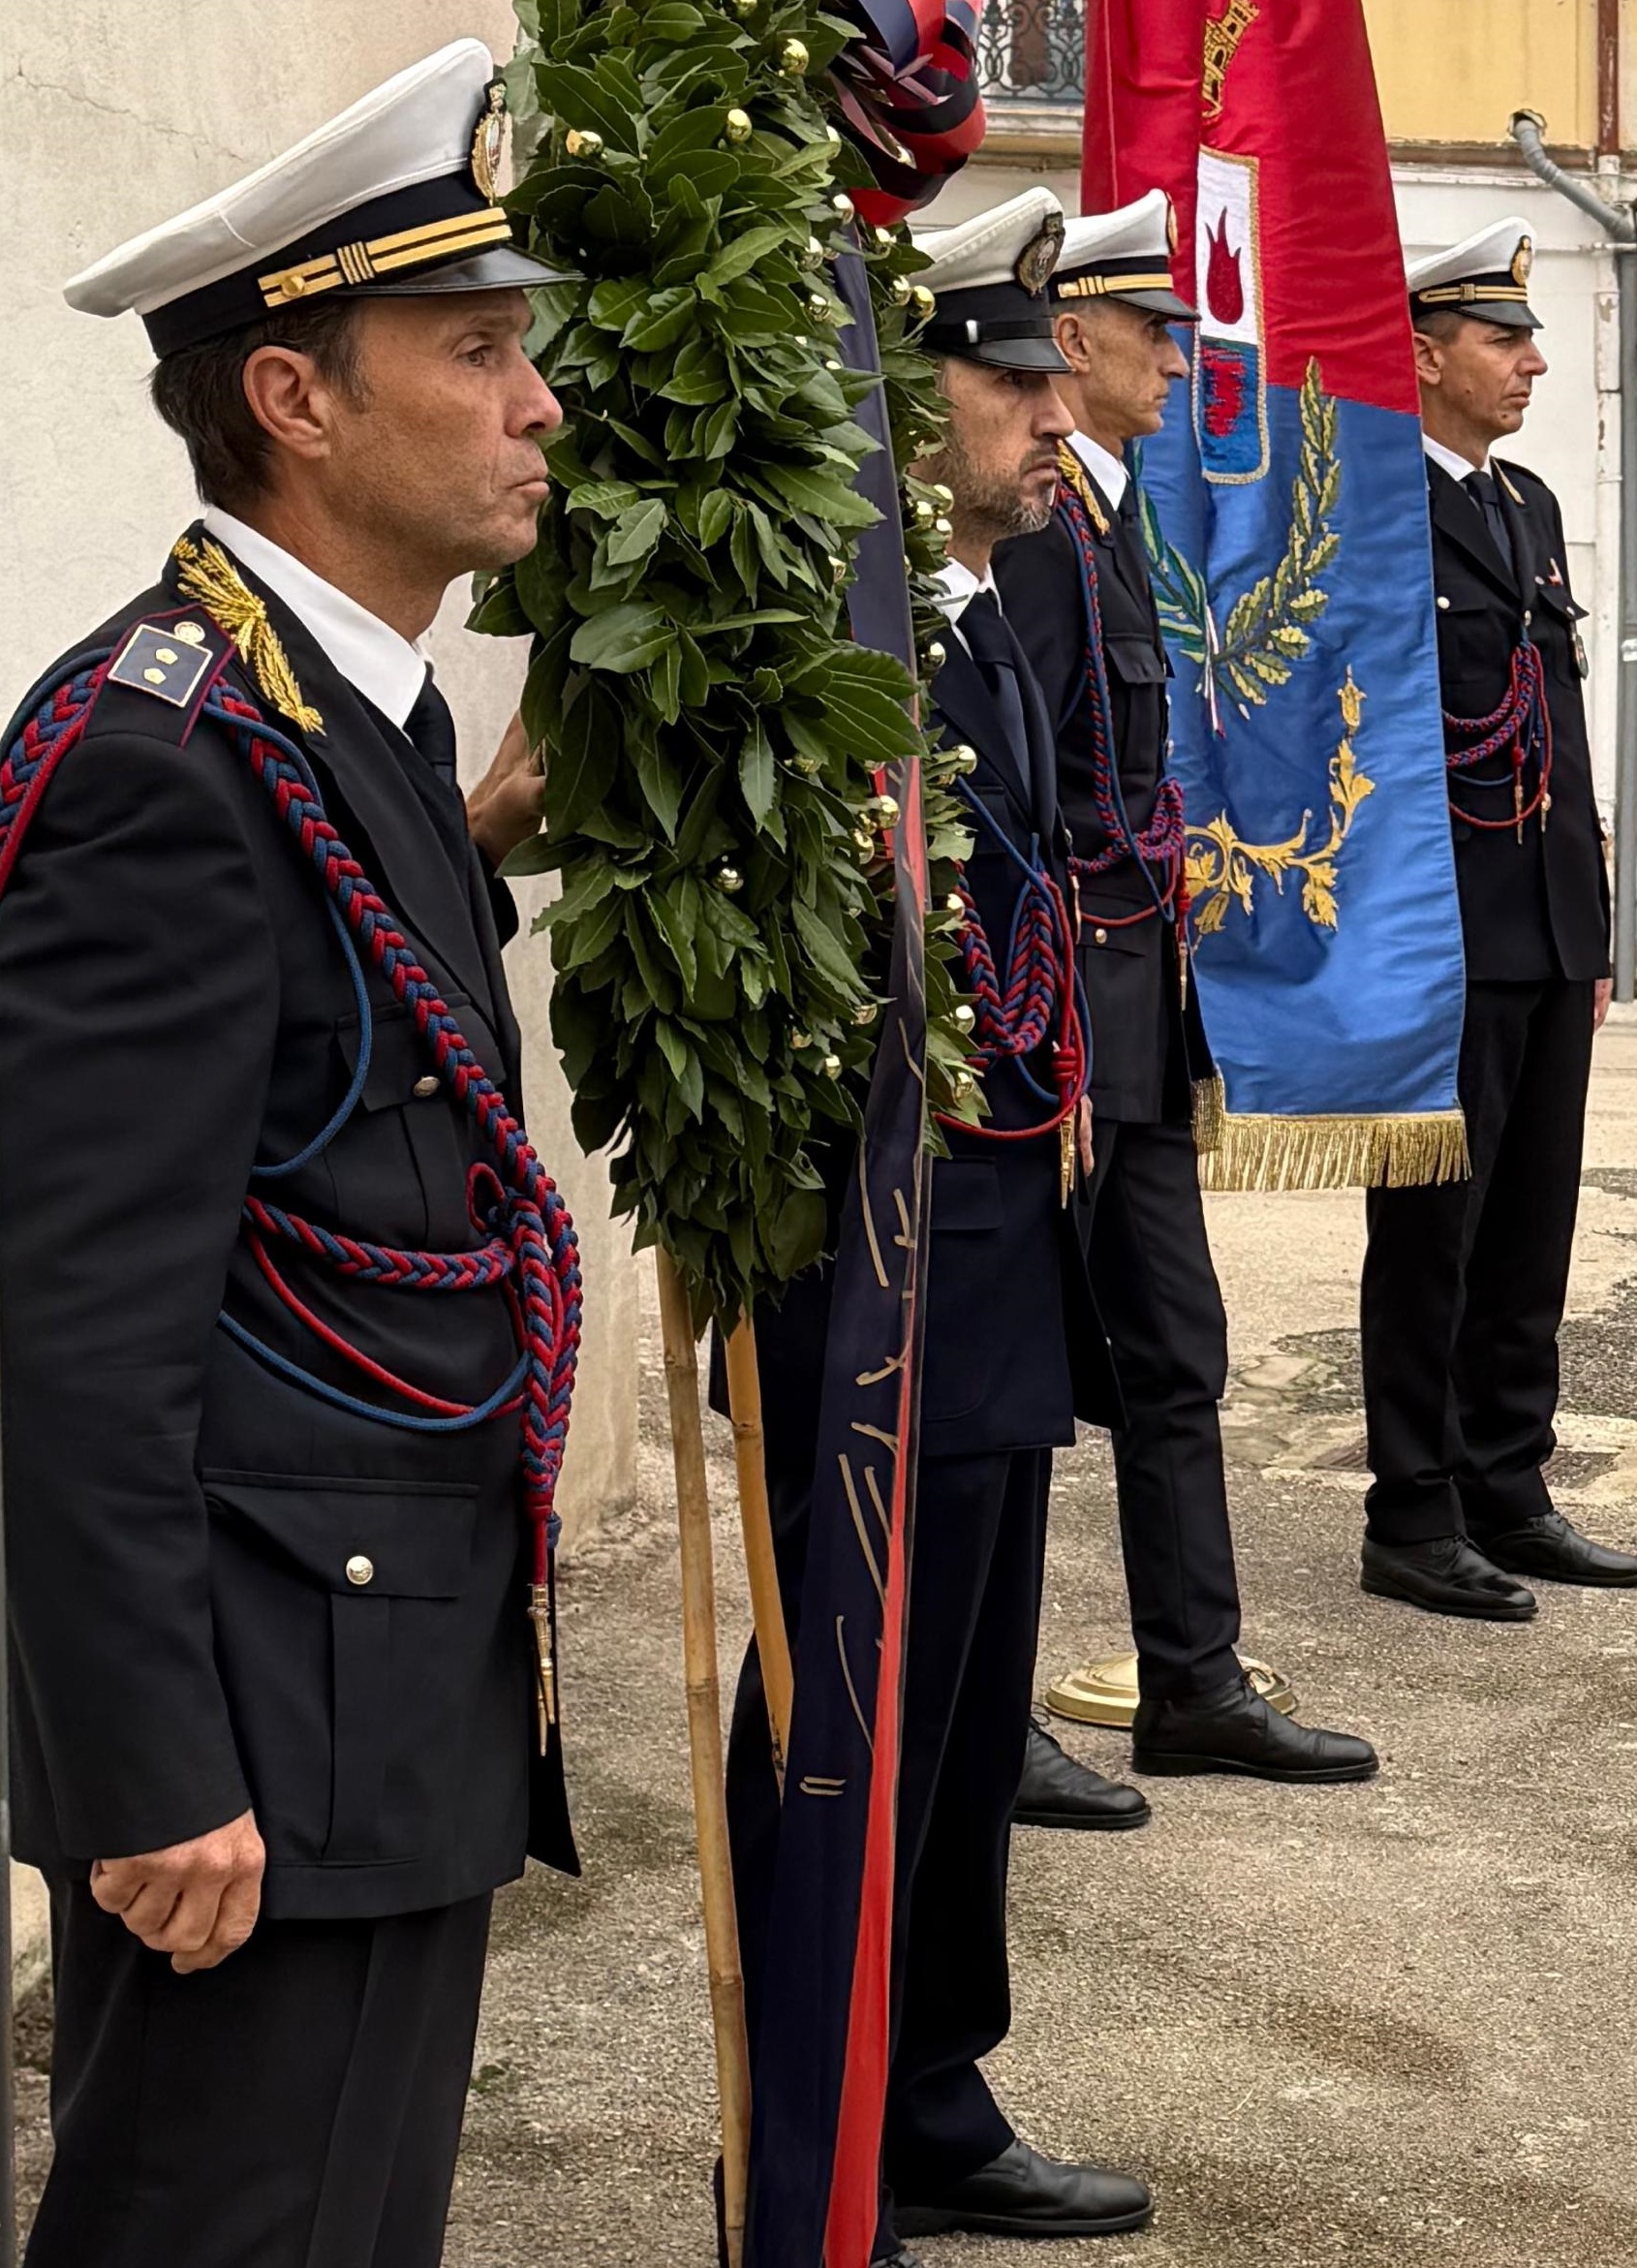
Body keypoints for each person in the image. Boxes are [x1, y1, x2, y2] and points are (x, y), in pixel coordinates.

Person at [4, 41, 576, 2263]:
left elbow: (329, 1092)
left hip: (375, 1688)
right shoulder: (171, 755)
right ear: (297, 400)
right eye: (478, 350)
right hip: (257, 1740)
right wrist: (150, 1764)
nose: (538, 405)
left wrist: (484, 841)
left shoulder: (350, 715)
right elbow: (74, 1310)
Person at [728, 189, 1150, 2254]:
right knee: (849, 1719)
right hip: (874, 1261)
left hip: (1002, 1239)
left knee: (971, 1719)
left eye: (1055, 373)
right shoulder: (851, 642)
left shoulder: (999, 618)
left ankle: (932, 2090)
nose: (1054, 409)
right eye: (1013, 378)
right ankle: (802, 2134)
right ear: (915, 407)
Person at [993, 190, 1375, 1820]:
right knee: (1005, 1372)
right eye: (1149, 328)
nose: (1175, 353)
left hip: (1128, 1020)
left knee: (1174, 1350)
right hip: (1046, 1029)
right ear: (1066, 339)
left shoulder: (1108, 515)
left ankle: (1192, 1680)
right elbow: (1009, 809)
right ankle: (984, 1706)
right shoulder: (1022, 531)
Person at [1357, 221, 1637, 1621]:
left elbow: (1559, 731)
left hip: (1538, 927)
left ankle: (1505, 1481)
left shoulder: (1522, 506)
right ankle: (1410, 1508)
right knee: (1430, 1228)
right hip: (1435, 930)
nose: (1531, 361)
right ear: (1421, 353)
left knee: (1530, 1222)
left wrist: (1586, 934)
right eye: (1499, 338)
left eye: (1528, 339)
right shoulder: (1364, 510)